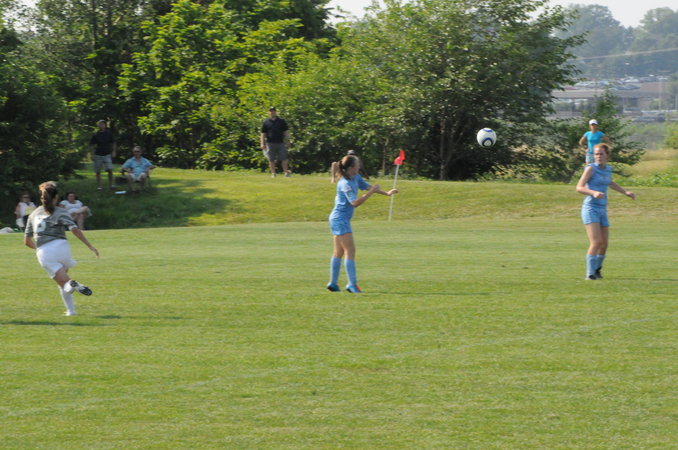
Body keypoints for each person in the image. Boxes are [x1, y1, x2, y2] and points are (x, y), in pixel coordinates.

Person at [24, 181, 99, 316]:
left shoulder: (33, 214)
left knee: (65, 283)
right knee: (62, 282)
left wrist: (39, 250)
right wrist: (89, 245)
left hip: (45, 251)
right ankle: (71, 311)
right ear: (56, 197)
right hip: (62, 248)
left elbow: (27, 241)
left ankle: (73, 285)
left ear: (42, 197)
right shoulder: (61, 211)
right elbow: (74, 229)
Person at [327, 154, 398, 293]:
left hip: (338, 219)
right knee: (350, 250)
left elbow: (367, 187)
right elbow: (354, 203)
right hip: (339, 219)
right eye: (357, 164)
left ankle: (333, 284)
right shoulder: (345, 183)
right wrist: (371, 192)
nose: (359, 166)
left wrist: (387, 193)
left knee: (339, 251)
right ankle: (352, 285)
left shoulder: (355, 177)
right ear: (351, 167)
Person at [576, 143, 635, 280]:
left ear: (607, 155)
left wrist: (625, 192)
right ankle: (590, 274)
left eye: (601, 154)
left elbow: (610, 182)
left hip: (602, 209)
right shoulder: (590, 168)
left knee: (604, 244)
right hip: (590, 208)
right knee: (596, 242)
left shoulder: (608, 169)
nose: (598, 156)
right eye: (596, 154)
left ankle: (597, 270)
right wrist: (593, 192)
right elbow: (579, 187)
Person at [260, 107, 291, 178]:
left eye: (273, 111)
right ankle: (273, 173)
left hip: (281, 142)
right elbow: (263, 133)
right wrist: (262, 143)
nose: (272, 112)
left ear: (276, 112)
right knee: (271, 159)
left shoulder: (281, 121)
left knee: (284, 158)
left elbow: (286, 132)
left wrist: (288, 141)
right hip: (270, 143)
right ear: (268, 112)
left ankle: (286, 173)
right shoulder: (266, 122)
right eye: (271, 111)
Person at [90, 119, 117, 190]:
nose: (101, 125)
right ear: (98, 126)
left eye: (103, 124)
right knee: (98, 171)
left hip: (107, 154)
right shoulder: (96, 134)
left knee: (110, 169)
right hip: (98, 155)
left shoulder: (109, 133)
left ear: (105, 125)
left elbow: (114, 142)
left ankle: (111, 184)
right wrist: (92, 154)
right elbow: (91, 145)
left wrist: (114, 151)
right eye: (100, 124)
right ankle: (100, 186)